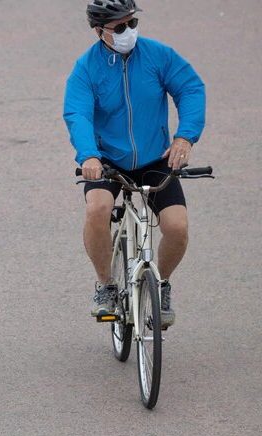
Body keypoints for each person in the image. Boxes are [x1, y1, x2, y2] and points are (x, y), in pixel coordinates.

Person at [63, 0, 205, 327]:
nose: (130, 32)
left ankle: (162, 284)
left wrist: (185, 137)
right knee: (97, 209)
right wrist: (88, 155)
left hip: (156, 158)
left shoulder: (158, 55)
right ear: (99, 31)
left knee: (177, 227)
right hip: (107, 162)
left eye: (133, 23)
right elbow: (78, 113)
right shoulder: (86, 69)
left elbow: (190, 89)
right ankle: (106, 286)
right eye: (120, 27)